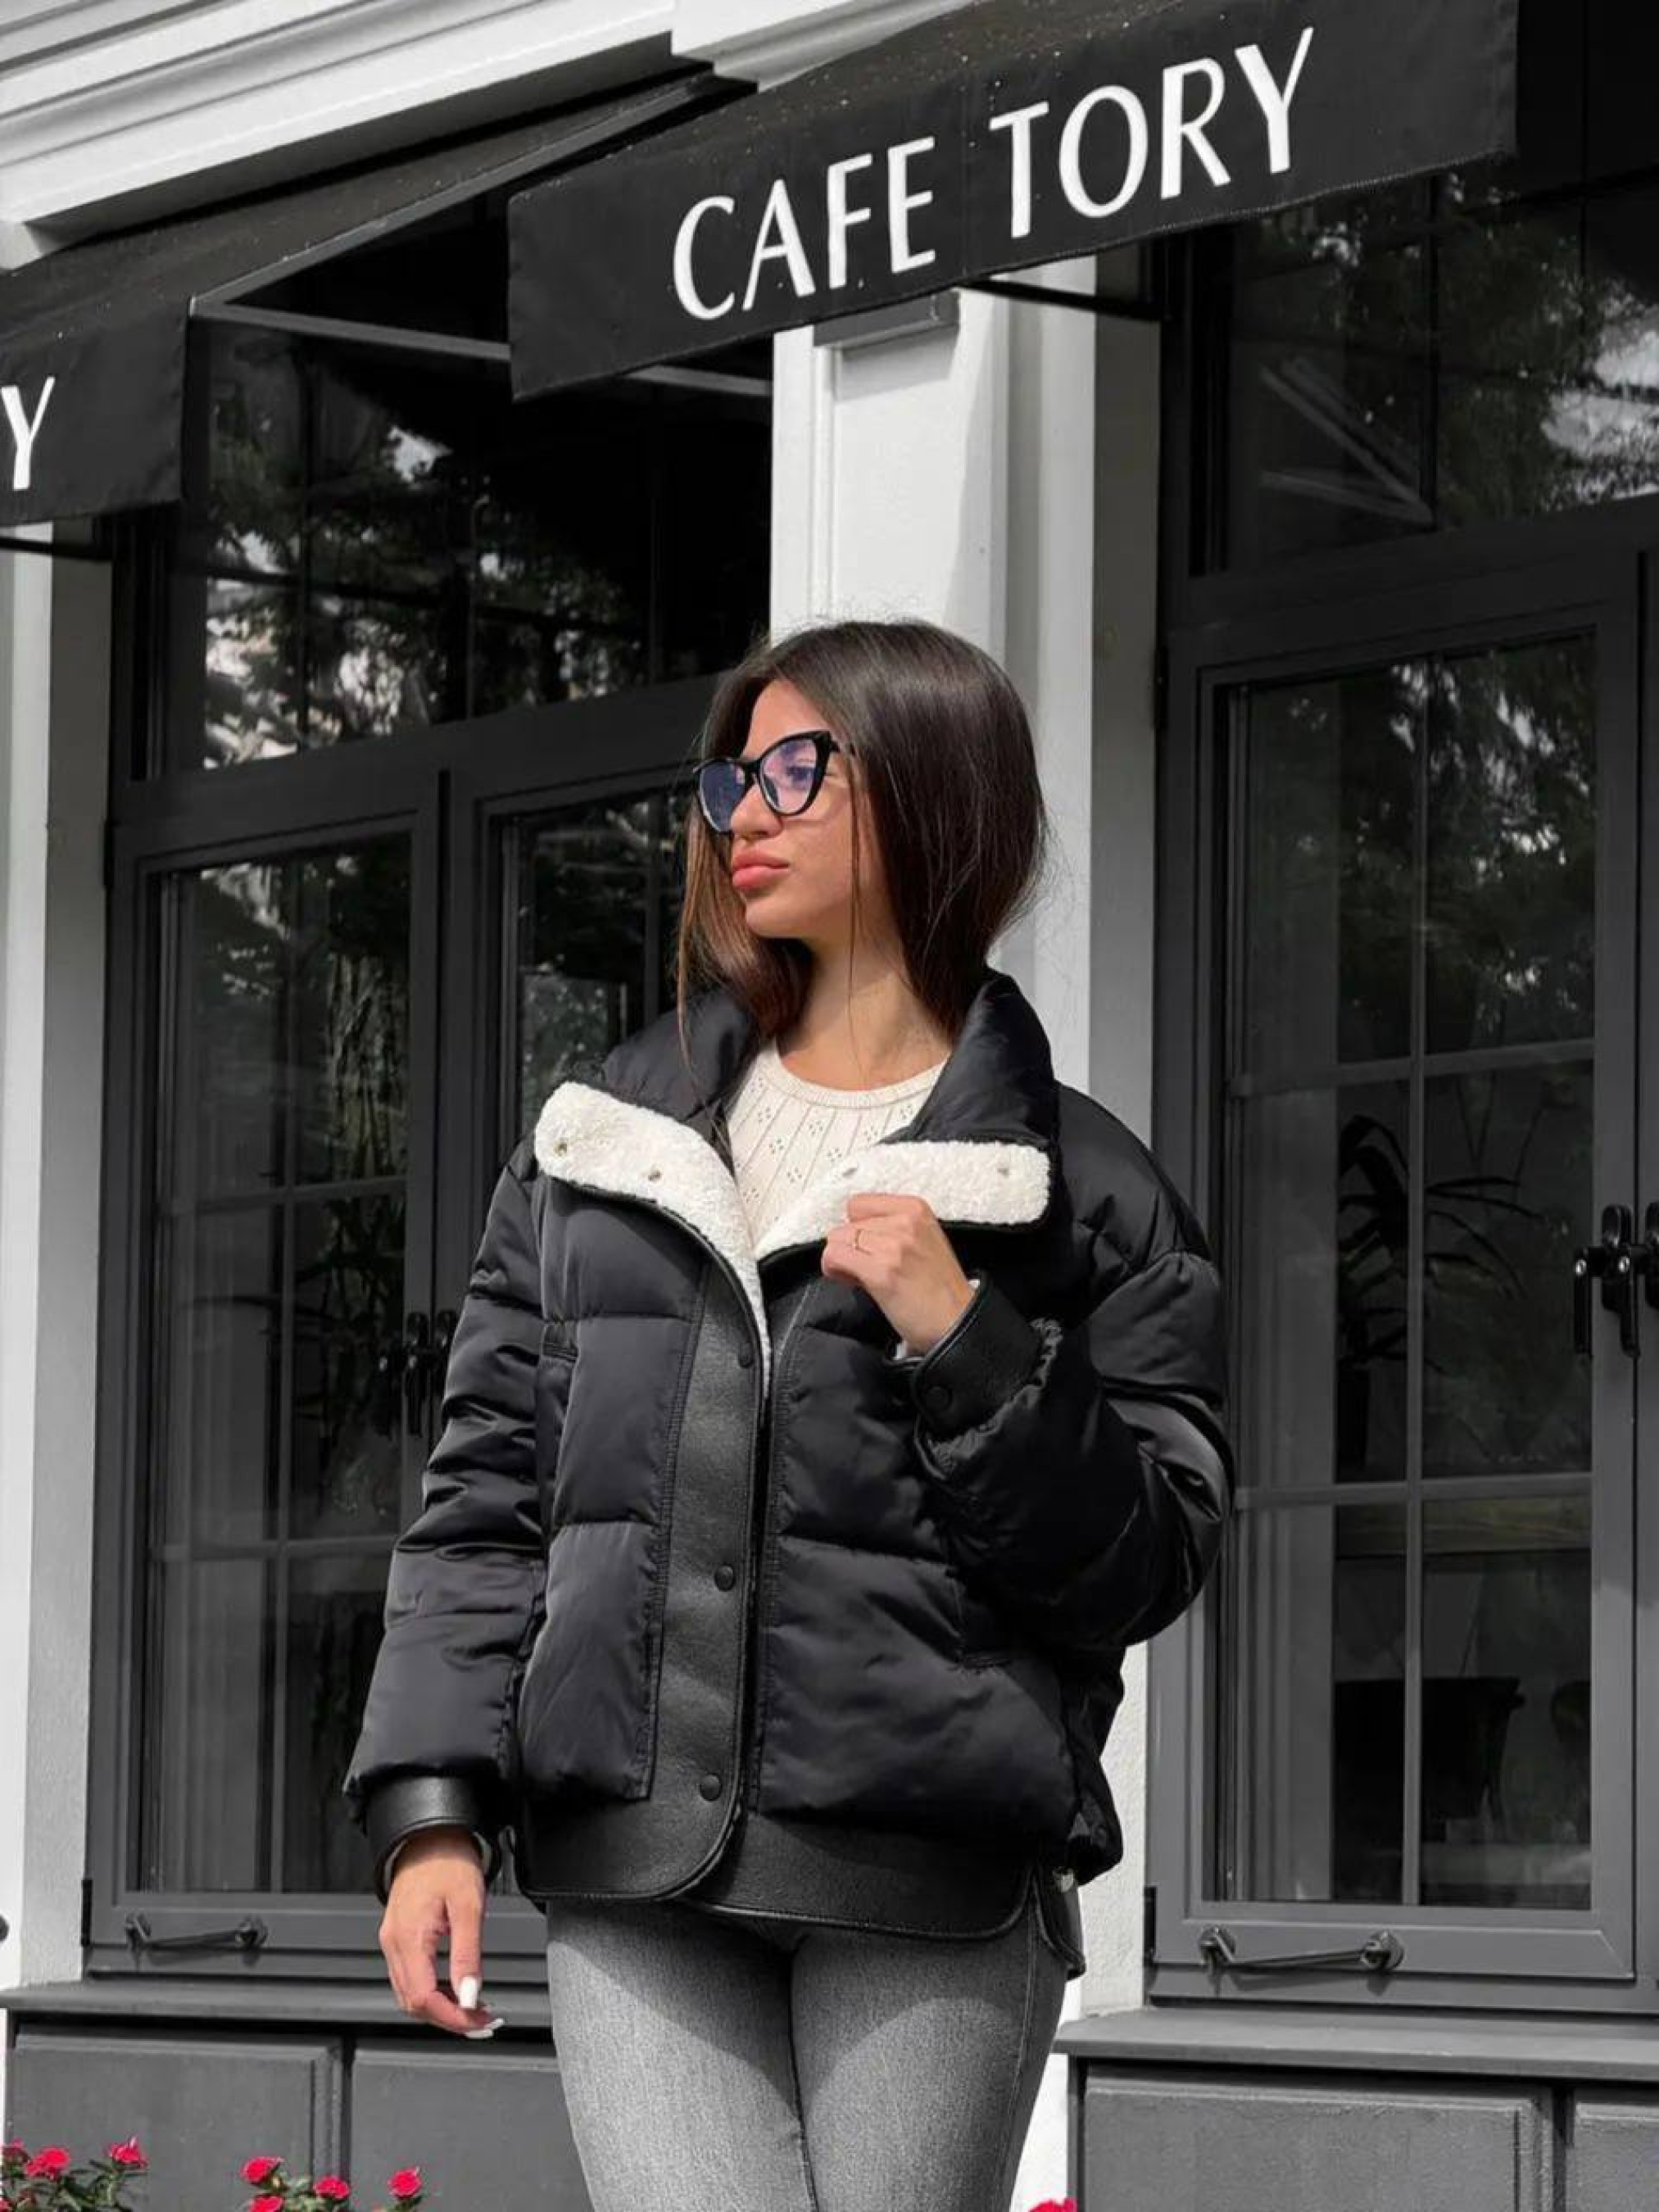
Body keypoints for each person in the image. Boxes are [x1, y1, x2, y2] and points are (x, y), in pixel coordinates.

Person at [343, 614, 1233, 2212]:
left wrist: (966, 1343)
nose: (740, 813)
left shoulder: (1081, 1193)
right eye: (729, 779)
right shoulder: (599, 1147)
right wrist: (431, 1817)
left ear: (932, 785)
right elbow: (484, 1507)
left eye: (796, 771)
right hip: (631, 1866)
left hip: (925, 1881)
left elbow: (1143, 1564)